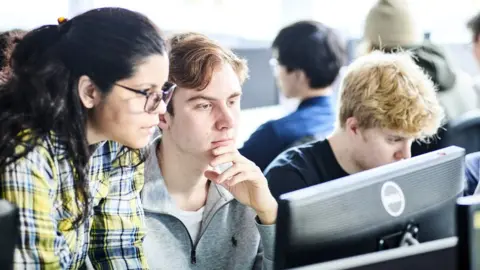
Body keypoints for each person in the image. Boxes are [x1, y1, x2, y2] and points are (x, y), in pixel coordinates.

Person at [0, 8, 174, 269]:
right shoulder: (24, 153)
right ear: (90, 91)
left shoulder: (119, 143)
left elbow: (119, 248)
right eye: (146, 92)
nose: (160, 108)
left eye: (161, 91)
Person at [142, 32, 277, 269]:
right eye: (204, 105)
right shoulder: (120, 198)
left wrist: (269, 215)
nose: (228, 121)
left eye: (233, 102)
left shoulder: (246, 189)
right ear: (162, 115)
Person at [265, 51, 445, 200]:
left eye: (411, 141)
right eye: (393, 139)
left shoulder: (396, 173)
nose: (406, 155)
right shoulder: (290, 180)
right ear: (354, 127)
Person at [239, 20, 347, 171]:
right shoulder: (344, 120)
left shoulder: (275, 133)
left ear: (298, 75)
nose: (276, 72)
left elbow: (225, 173)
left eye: (277, 63)